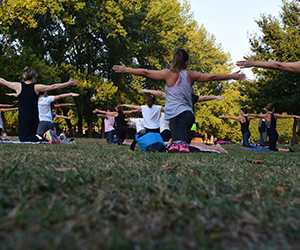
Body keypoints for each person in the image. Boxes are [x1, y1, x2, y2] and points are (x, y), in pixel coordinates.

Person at [113, 50, 244, 153]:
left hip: (178, 117)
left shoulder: (168, 74)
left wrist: (127, 70)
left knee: (179, 146)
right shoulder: (191, 75)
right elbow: (212, 77)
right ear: (186, 63)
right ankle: (212, 148)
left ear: (174, 61)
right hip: (188, 116)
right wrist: (231, 76)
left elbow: (146, 73)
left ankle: (215, 149)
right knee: (179, 145)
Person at [0, 67, 78, 142]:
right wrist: (68, 83)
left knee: (23, 138)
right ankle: (48, 137)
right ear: (33, 77)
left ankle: (45, 136)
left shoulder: (18, 86)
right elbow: (53, 86)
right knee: (33, 137)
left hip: (24, 118)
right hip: (35, 118)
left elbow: (3, 81)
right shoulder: (37, 87)